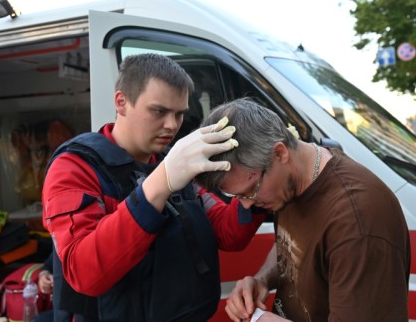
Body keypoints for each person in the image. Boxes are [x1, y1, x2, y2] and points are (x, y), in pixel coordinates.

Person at [41, 54, 266, 321]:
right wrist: (159, 184)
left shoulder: (173, 161)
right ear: (121, 102)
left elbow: (227, 232)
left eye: (180, 113)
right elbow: (84, 272)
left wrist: (255, 188)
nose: (172, 125)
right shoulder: (75, 167)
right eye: (159, 111)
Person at [195, 98, 412, 321]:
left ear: (279, 153)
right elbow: (292, 247)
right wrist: (262, 280)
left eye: (250, 190)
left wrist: (262, 320)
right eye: (235, 196)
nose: (247, 204)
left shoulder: (358, 220)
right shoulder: (291, 184)